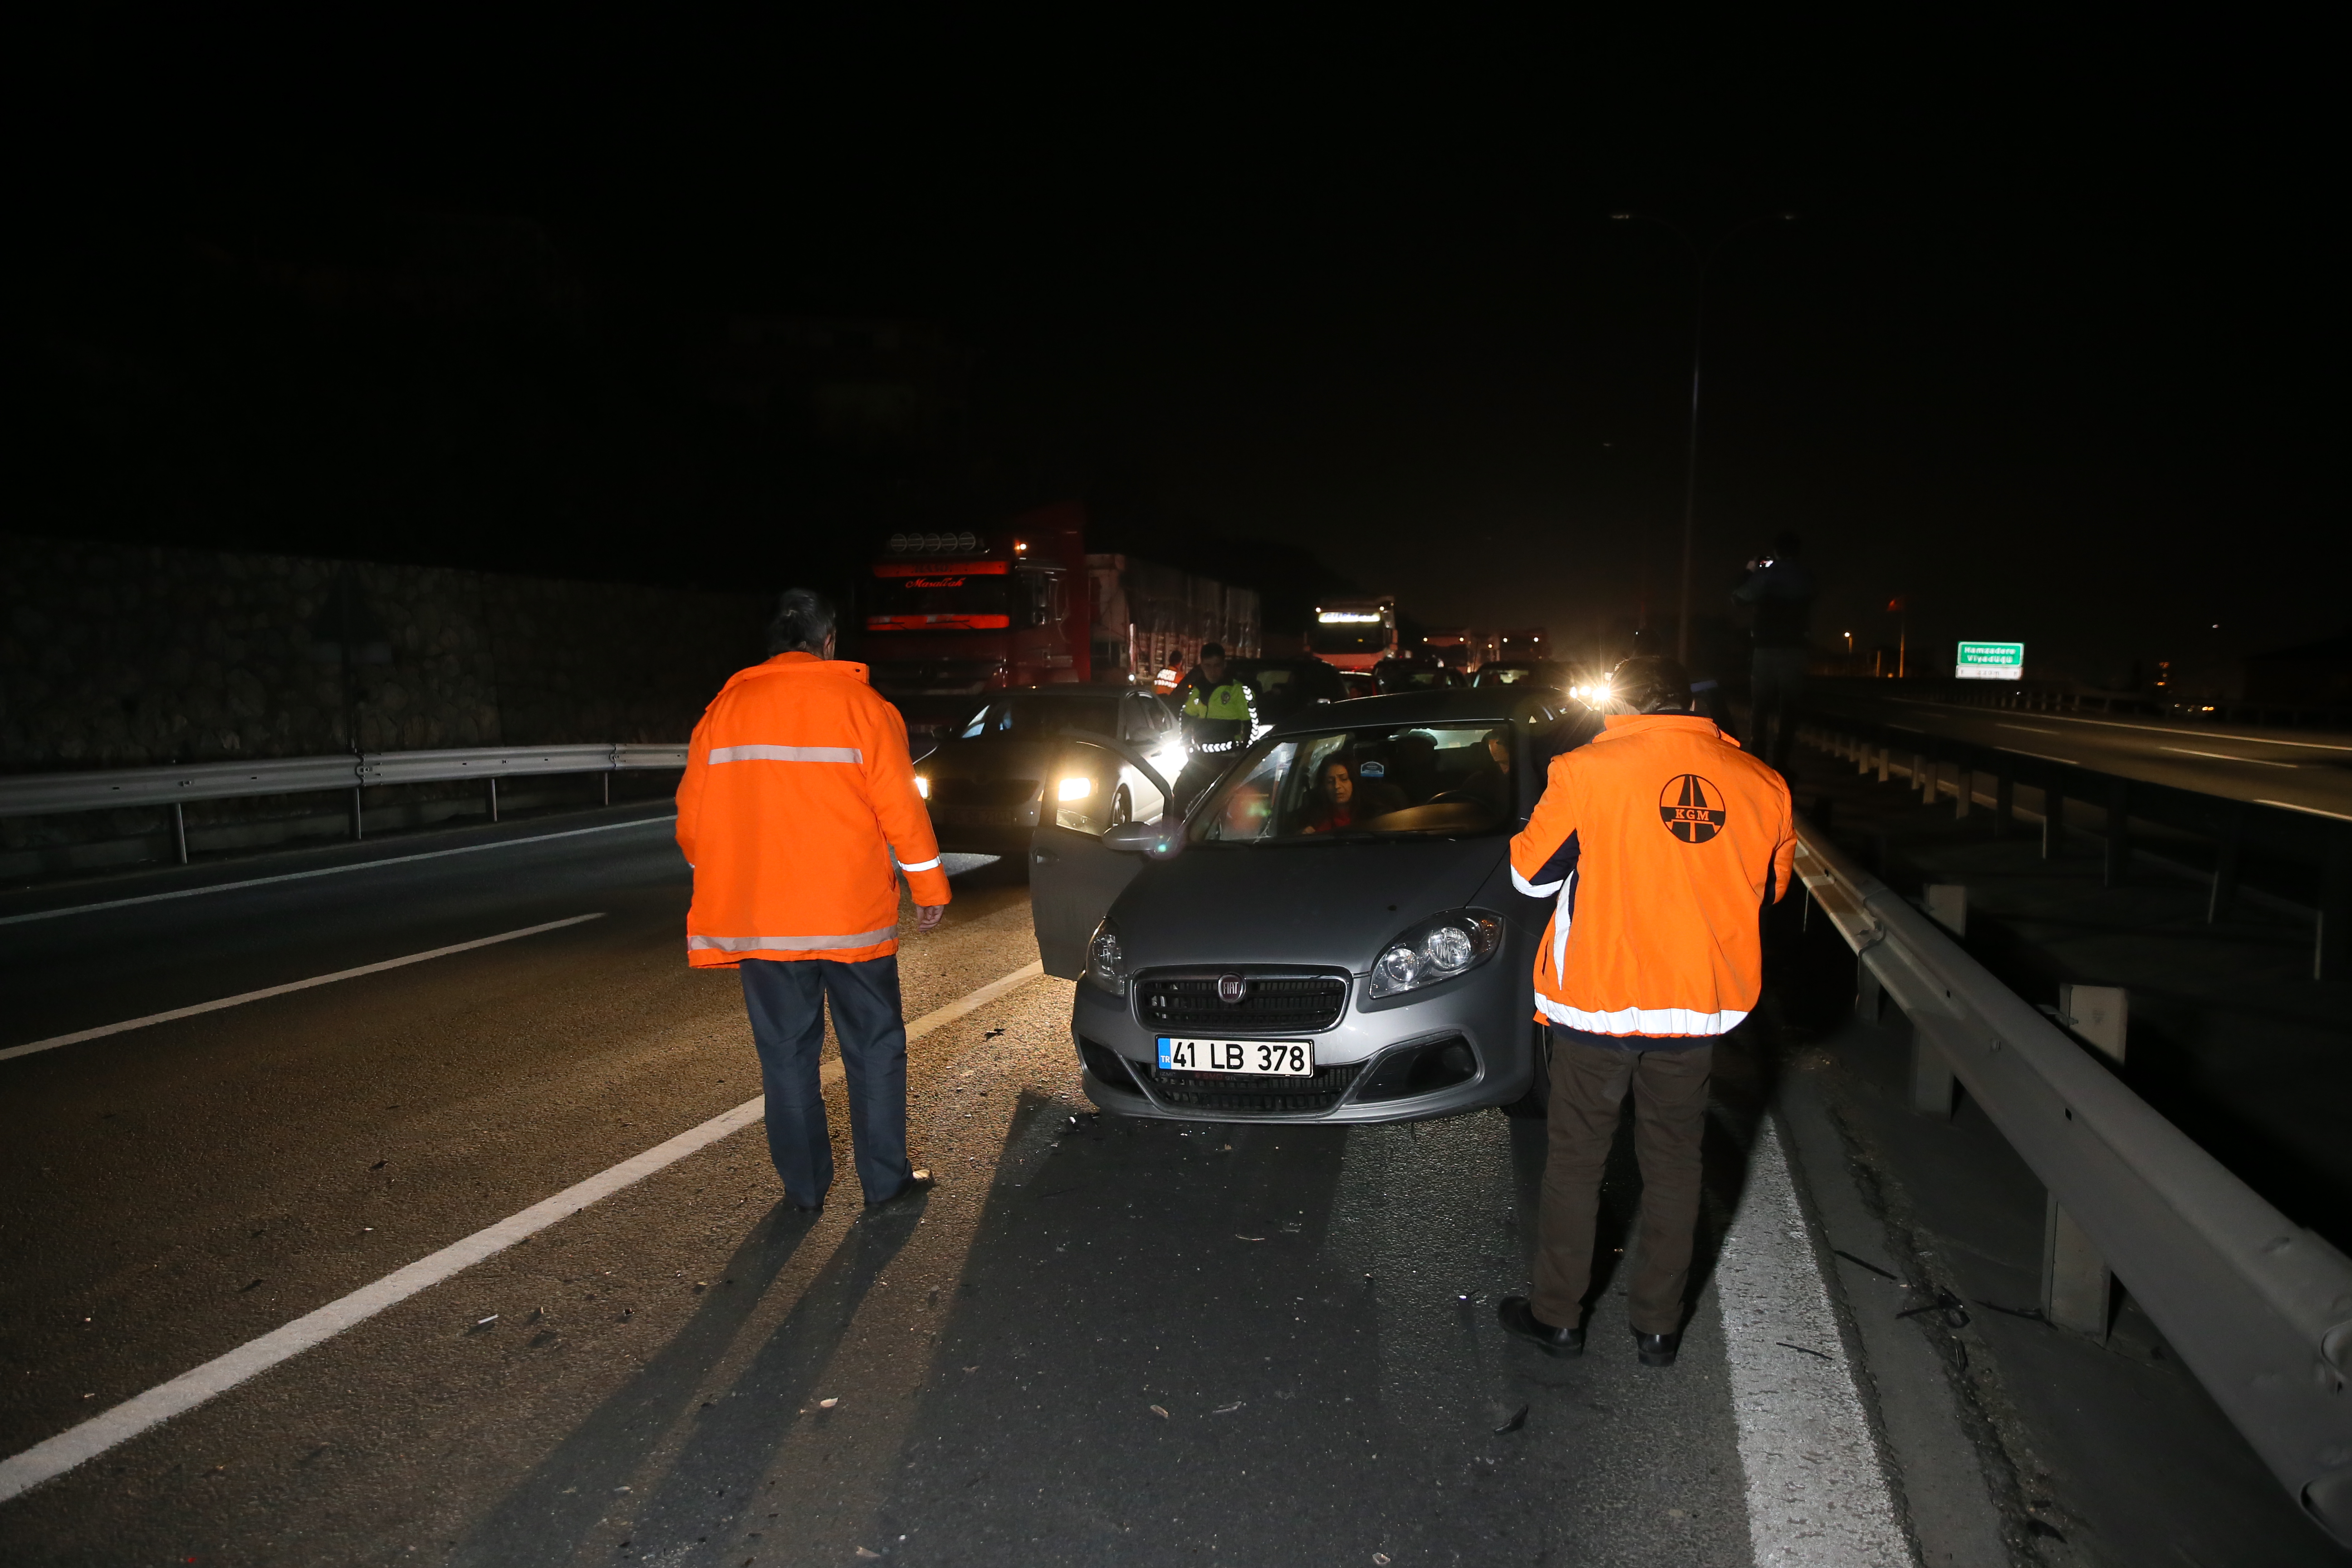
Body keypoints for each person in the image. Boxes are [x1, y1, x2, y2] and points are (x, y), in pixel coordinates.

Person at [1496, 655, 1796, 1367]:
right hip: (1694, 1009)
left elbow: (1527, 876)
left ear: (1623, 706)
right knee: (1674, 1160)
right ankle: (1659, 1328)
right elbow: (1770, 894)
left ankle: (1558, 1317)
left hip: (1598, 1004)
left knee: (1575, 1160)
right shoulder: (1763, 783)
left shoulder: (1586, 771)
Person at [674, 588, 950, 1215]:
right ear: (829, 644)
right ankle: (885, 1183)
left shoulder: (724, 711)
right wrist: (927, 885)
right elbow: (901, 808)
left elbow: (693, 822)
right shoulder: (863, 706)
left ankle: (804, 1190)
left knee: (787, 1057)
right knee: (874, 1048)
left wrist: (729, 878)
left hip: (764, 926)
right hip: (851, 920)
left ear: (771, 644)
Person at [1731, 530, 1817, 773]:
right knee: (1789, 708)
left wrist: (1750, 569)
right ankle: (1781, 763)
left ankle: (1758, 762)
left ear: (1776, 551)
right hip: (1796, 650)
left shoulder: (1766, 575)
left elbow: (1738, 598)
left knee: (1761, 706)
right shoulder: (1807, 576)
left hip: (1766, 649)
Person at [1167, 642, 1257, 812]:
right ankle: (1176, 837)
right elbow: (1186, 717)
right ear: (1202, 665)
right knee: (1177, 798)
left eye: (1217, 666)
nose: (1212, 671)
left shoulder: (1238, 691)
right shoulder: (1197, 690)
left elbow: (1252, 725)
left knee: (1223, 808)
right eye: (1207, 666)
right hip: (1201, 760)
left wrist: (1243, 757)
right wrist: (1188, 748)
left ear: (1224, 665)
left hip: (1229, 760)